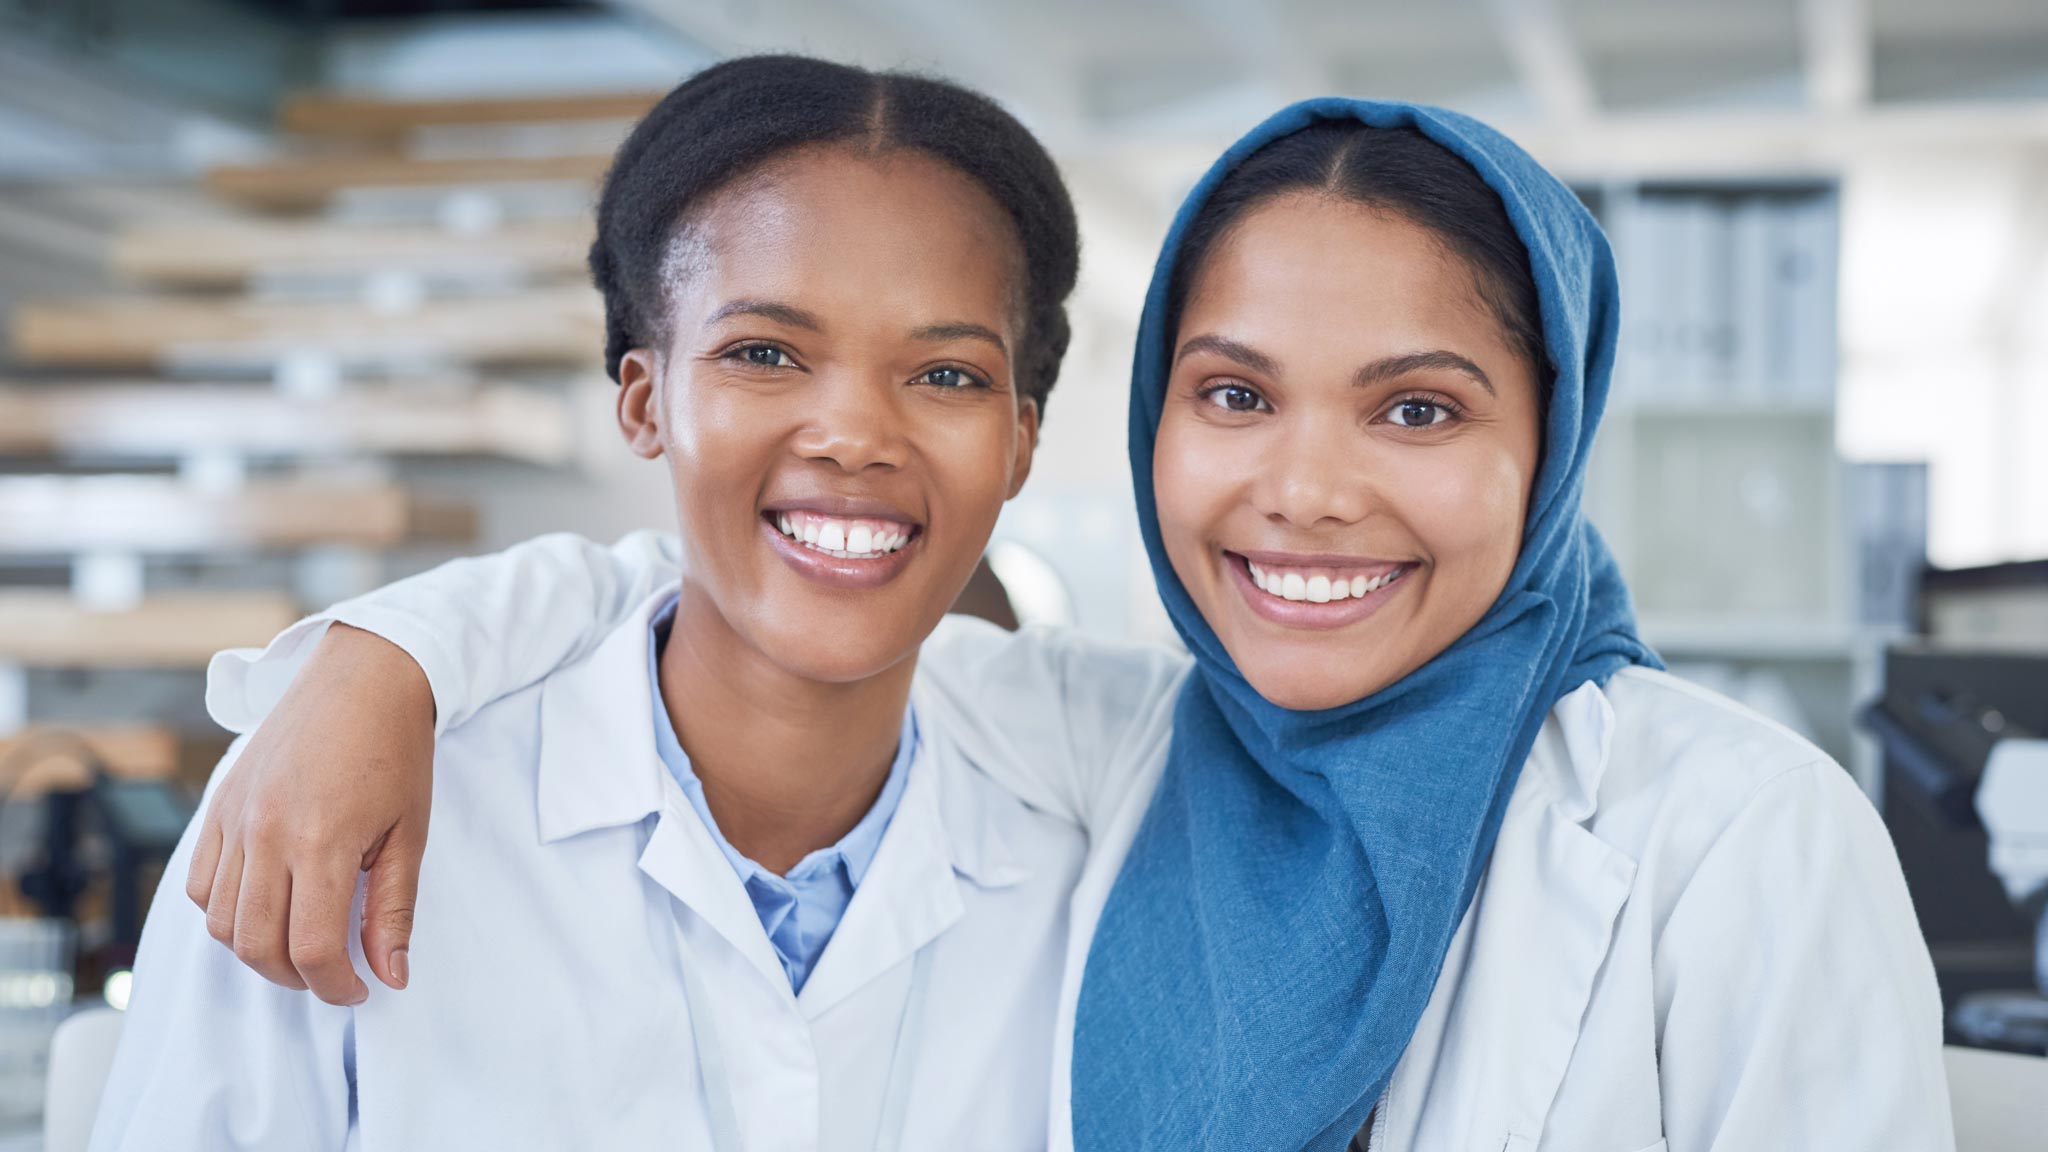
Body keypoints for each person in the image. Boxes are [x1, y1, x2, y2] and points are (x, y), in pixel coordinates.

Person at [175, 100, 1950, 1151]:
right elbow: (778, 598)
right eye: (1233, 393)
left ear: (1548, 440)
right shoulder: (1126, 746)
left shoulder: (1734, 835)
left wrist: (378, 655)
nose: (1305, 489)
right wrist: (384, 655)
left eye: (1415, 410)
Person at [91, 55, 1095, 1151]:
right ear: (642, 398)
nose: (853, 435)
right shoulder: (329, 803)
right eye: (762, 353)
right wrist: (386, 653)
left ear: (1020, 441)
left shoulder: (1090, 843)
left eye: (946, 374)